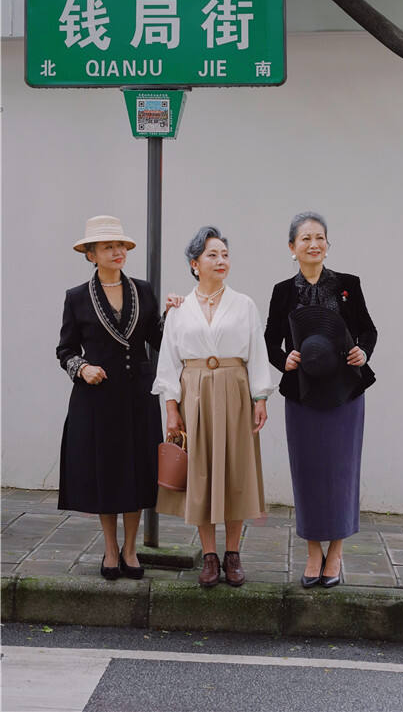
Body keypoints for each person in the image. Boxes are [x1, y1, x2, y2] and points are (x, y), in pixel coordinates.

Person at [57, 215, 178, 581]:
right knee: (106, 472)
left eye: (121, 245)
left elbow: (158, 337)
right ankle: (111, 549)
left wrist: (175, 315)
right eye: (108, 246)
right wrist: (82, 368)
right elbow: (65, 350)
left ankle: (130, 549)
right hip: (98, 398)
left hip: (138, 395)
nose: (117, 251)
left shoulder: (143, 290)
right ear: (91, 254)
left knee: (137, 472)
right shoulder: (76, 297)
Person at [152, 225, 273, 589]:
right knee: (200, 473)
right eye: (212, 255)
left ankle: (232, 554)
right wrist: (171, 407)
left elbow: (257, 352)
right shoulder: (179, 309)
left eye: (225, 254)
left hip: (235, 392)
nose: (221, 261)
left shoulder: (244, 304)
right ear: (195, 264)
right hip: (194, 394)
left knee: (235, 471)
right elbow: (168, 361)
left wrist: (261, 397)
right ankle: (209, 555)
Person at [265, 212, 378, 588]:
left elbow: (368, 330)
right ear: (292, 247)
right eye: (306, 238)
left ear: (328, 244)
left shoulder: (348, 285)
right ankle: (314, 552)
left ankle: (337, 553)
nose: (314, 244)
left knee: (342, 472)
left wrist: (363, 351)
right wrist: (284, 360)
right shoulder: (283, 291)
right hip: (302, 394)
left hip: (346, 393)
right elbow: (270, 340)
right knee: (308, 472)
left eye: (320, 238)